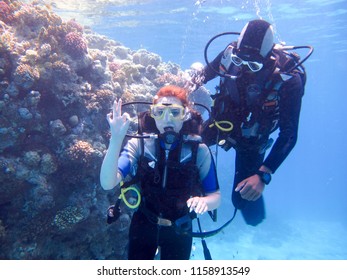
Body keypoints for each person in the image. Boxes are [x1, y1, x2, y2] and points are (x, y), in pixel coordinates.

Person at [190, 19, 307, 226]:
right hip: (221, 125)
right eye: (239, 62)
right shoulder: (230, 53)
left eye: (253, 65)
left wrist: (263, 176)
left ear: (269, 57)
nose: (245, 68)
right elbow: (202, 77)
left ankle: (255, 214)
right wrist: (178, 93)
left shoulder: (289, 78)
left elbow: (289, 134)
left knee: (241, 201)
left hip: (252, 142)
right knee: (184, 149)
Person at [100, 85, 221, 260]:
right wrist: (116, 140)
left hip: (180, 228)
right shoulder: (139, 145)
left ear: (185, 116)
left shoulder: (199, 151)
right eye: (160, 112)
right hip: (143, 224)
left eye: (174, 112)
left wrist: (205, 202)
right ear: (153, 115)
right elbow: (107, 183)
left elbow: (215, 196)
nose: (167, 119)